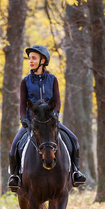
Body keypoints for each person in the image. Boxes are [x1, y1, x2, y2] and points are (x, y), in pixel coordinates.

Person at [8, 44, 86, 192]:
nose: (30, 61)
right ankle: (14, 177)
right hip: (32, 123)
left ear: (43, 60)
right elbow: (22, 103)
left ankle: (76, 172)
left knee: (74, 140)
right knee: (13, 148)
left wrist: (55, 113)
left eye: (34, 58)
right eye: (29, 58)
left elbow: (57, 100)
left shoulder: (52, 79)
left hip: (51, 122)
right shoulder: (25, 81)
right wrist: (23, 118)